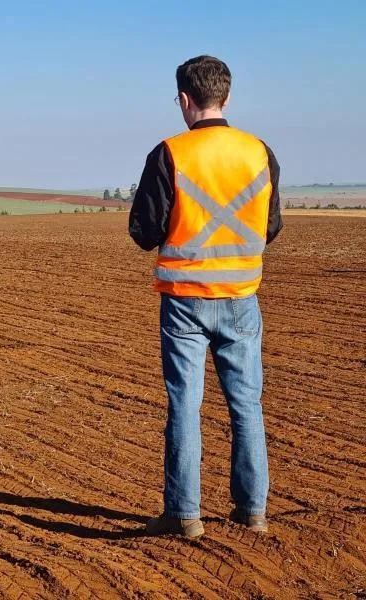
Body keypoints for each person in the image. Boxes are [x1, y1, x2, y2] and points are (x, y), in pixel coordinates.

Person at [129, 55, 282, 538]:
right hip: (241, 298)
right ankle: (252, 510)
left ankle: (183, 515)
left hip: (183, 302)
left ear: (184, 99)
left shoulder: (169, 153)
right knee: (247, 406)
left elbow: (144, 231)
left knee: (185, 407)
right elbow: (271, 225)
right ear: (227, 97)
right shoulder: (259, 151)